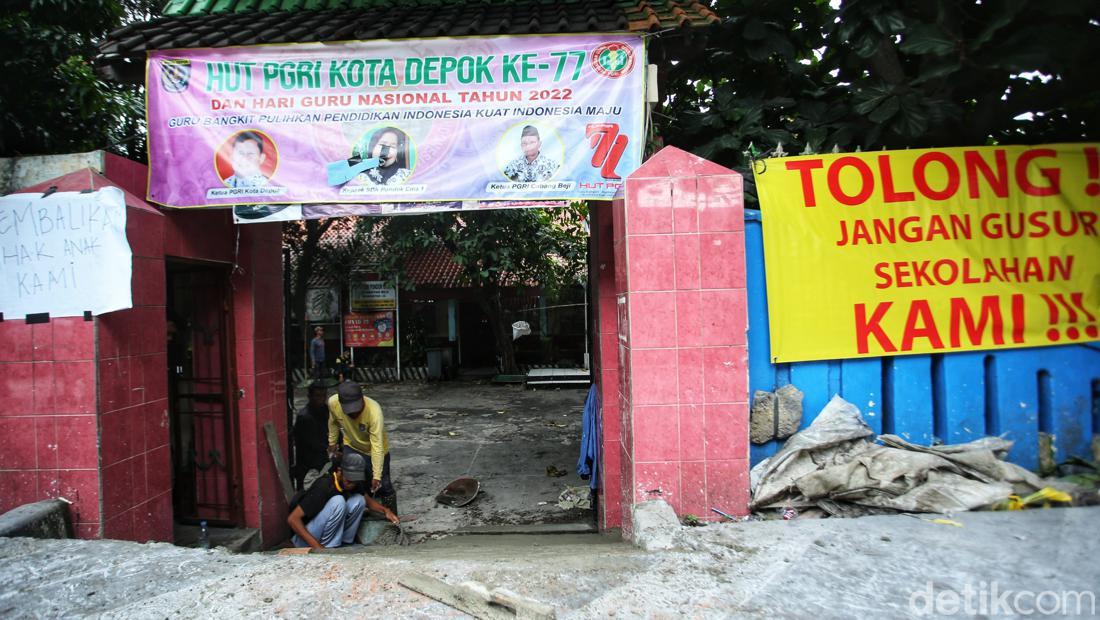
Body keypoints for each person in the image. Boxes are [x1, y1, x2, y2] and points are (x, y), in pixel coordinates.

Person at [286, 452, 399, 550]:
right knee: (338, 501)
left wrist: (386, 511)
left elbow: (368, 501)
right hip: (305, 539)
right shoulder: (324, 486)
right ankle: (330, 547)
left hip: (322, 533)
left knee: (358, 500)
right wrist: (318, 548)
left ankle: (345, 543)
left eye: (354, 481)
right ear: (339, 472)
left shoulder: (353, 483)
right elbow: (293, 520)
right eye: (348, 480)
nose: (351, 485)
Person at [327, 380, 394, 501]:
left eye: (356, 409)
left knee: (383, 486)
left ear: (362, 399)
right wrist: (332, 442)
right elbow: (333, 422)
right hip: (351, 446)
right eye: (349, 411)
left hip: (375, 450)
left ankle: (391, 513)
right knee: (354, 482)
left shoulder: (374, 412)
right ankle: (362, 510)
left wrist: (377, 475)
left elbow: (376, 446)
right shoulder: (333, 403)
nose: (354, 414)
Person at [292, 382, 330, 489]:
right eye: (318, 396)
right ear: (310, 397)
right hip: (308, 465)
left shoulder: (326, 410)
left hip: (322, 462)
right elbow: (312, 443)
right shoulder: (305, 417)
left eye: (324, 395)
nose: (321, 399)